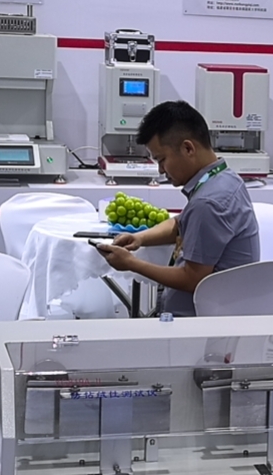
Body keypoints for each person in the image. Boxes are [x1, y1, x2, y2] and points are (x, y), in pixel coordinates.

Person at [97, 100, 259, 315]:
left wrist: (131, 264)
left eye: (162, 159)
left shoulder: (208, 203)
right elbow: (181, 223)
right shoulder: (225, 179)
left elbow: (192, 279)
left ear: (188, 148)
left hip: (199, 321)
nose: (160, 170)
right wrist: (140, 238)